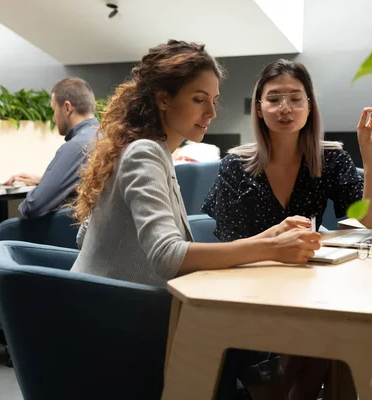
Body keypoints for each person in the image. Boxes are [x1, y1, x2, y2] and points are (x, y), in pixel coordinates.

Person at [69, 40, 321, 400]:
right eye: (199, 99)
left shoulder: (143, 148)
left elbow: (85, 237)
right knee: (263, 340)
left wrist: (271, 234)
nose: (212, 112)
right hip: (116, 326)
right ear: (163, 98)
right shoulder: (145, 152)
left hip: (99, 312)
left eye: (214, 101)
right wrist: (270, 247)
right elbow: (167, 256)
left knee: (268, 342)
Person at [202, 59, 372, 399]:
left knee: (335, 332)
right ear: (259, 109)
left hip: (308, 289)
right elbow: (230, 247)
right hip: (252, 293)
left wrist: (370, 152)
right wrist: (277, 238)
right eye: (273, 99)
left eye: (295, 98)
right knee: (320, 342)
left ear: (309, 106)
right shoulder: (235, 166)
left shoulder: (329, 159)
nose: (285, 108)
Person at [0, 77, 99, 368]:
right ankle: (2, 328)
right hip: (83, 236)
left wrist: (37, 192)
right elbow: (82, 182)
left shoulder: (75, 146)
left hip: (59, 237)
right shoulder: (102, 136)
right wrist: (45, 180)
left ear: (67, 107)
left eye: (52, 111)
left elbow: (32, 208)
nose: (53, 118)